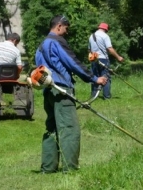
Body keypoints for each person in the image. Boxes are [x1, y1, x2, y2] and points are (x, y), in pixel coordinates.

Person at [35, 15, 107, 174]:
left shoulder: (41, 46)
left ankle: (48, 167)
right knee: (69, 129)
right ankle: (70, 169)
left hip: (48, 91)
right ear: (59, 26)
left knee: (51, 128)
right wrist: (95, 79)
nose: (66, 32)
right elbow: (73, 63)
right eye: (66, 28)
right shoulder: (57, 41)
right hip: (61, 90)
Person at [88, 22, 124, 100]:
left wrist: (92, 59)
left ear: (99, 28)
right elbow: (109, 48)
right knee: (106, 77)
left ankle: (94, 96)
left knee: (95, 77)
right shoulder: (105, 36)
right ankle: (107, 96)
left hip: (94, 59)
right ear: (105, 29)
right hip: (103, 59)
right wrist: (118, 57)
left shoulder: (91, 36)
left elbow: (89, 50)